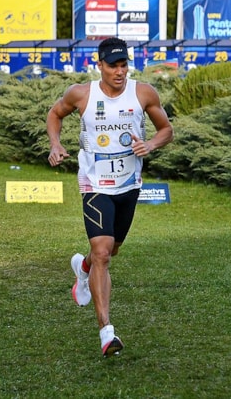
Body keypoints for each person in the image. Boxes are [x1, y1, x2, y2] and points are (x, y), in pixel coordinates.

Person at [47, 37, 174, 357]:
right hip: (94, 183)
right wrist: (55, 144)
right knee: (102, 253)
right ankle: (107, 332)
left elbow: (166, 130)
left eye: (124, 65)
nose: (120, 72)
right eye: (113, 66)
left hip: (129, 185)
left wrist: (151, 144)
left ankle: (83, 267)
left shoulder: (144, 93)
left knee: (111, 250)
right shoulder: (81, 94)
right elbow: (55, 114)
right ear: (99, 65)